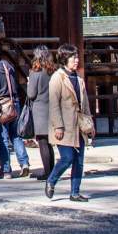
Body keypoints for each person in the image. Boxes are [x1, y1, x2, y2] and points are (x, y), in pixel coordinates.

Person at [45, 42, 93, 202]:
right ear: (65, 58)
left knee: (79, 161)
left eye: (77, 57)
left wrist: (90, 123)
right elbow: (53, 104)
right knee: (67, 158)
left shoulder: (79, 79)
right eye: (73, 57)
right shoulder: (57, 78)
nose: (76, 60)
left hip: (79, 125)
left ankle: (75, 192)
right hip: (64, 126)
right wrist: (58, 126)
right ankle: (51, 180)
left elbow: (85, 103)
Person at [0, 44, 30, 178]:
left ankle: (6, 169)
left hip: (2, 106)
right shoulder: (8, 66)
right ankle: (24, 163)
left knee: (3, 138)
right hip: (14, 103)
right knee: (16, 135)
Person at [26, 44, 55, 181]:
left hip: (40, 110)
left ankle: (47, 172)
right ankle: (52, 171)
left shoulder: (35, 72)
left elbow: (31, 94)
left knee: (43, 143)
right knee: (49, 143)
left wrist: (28, 83)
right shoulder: (53, 72)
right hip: (52, 108)